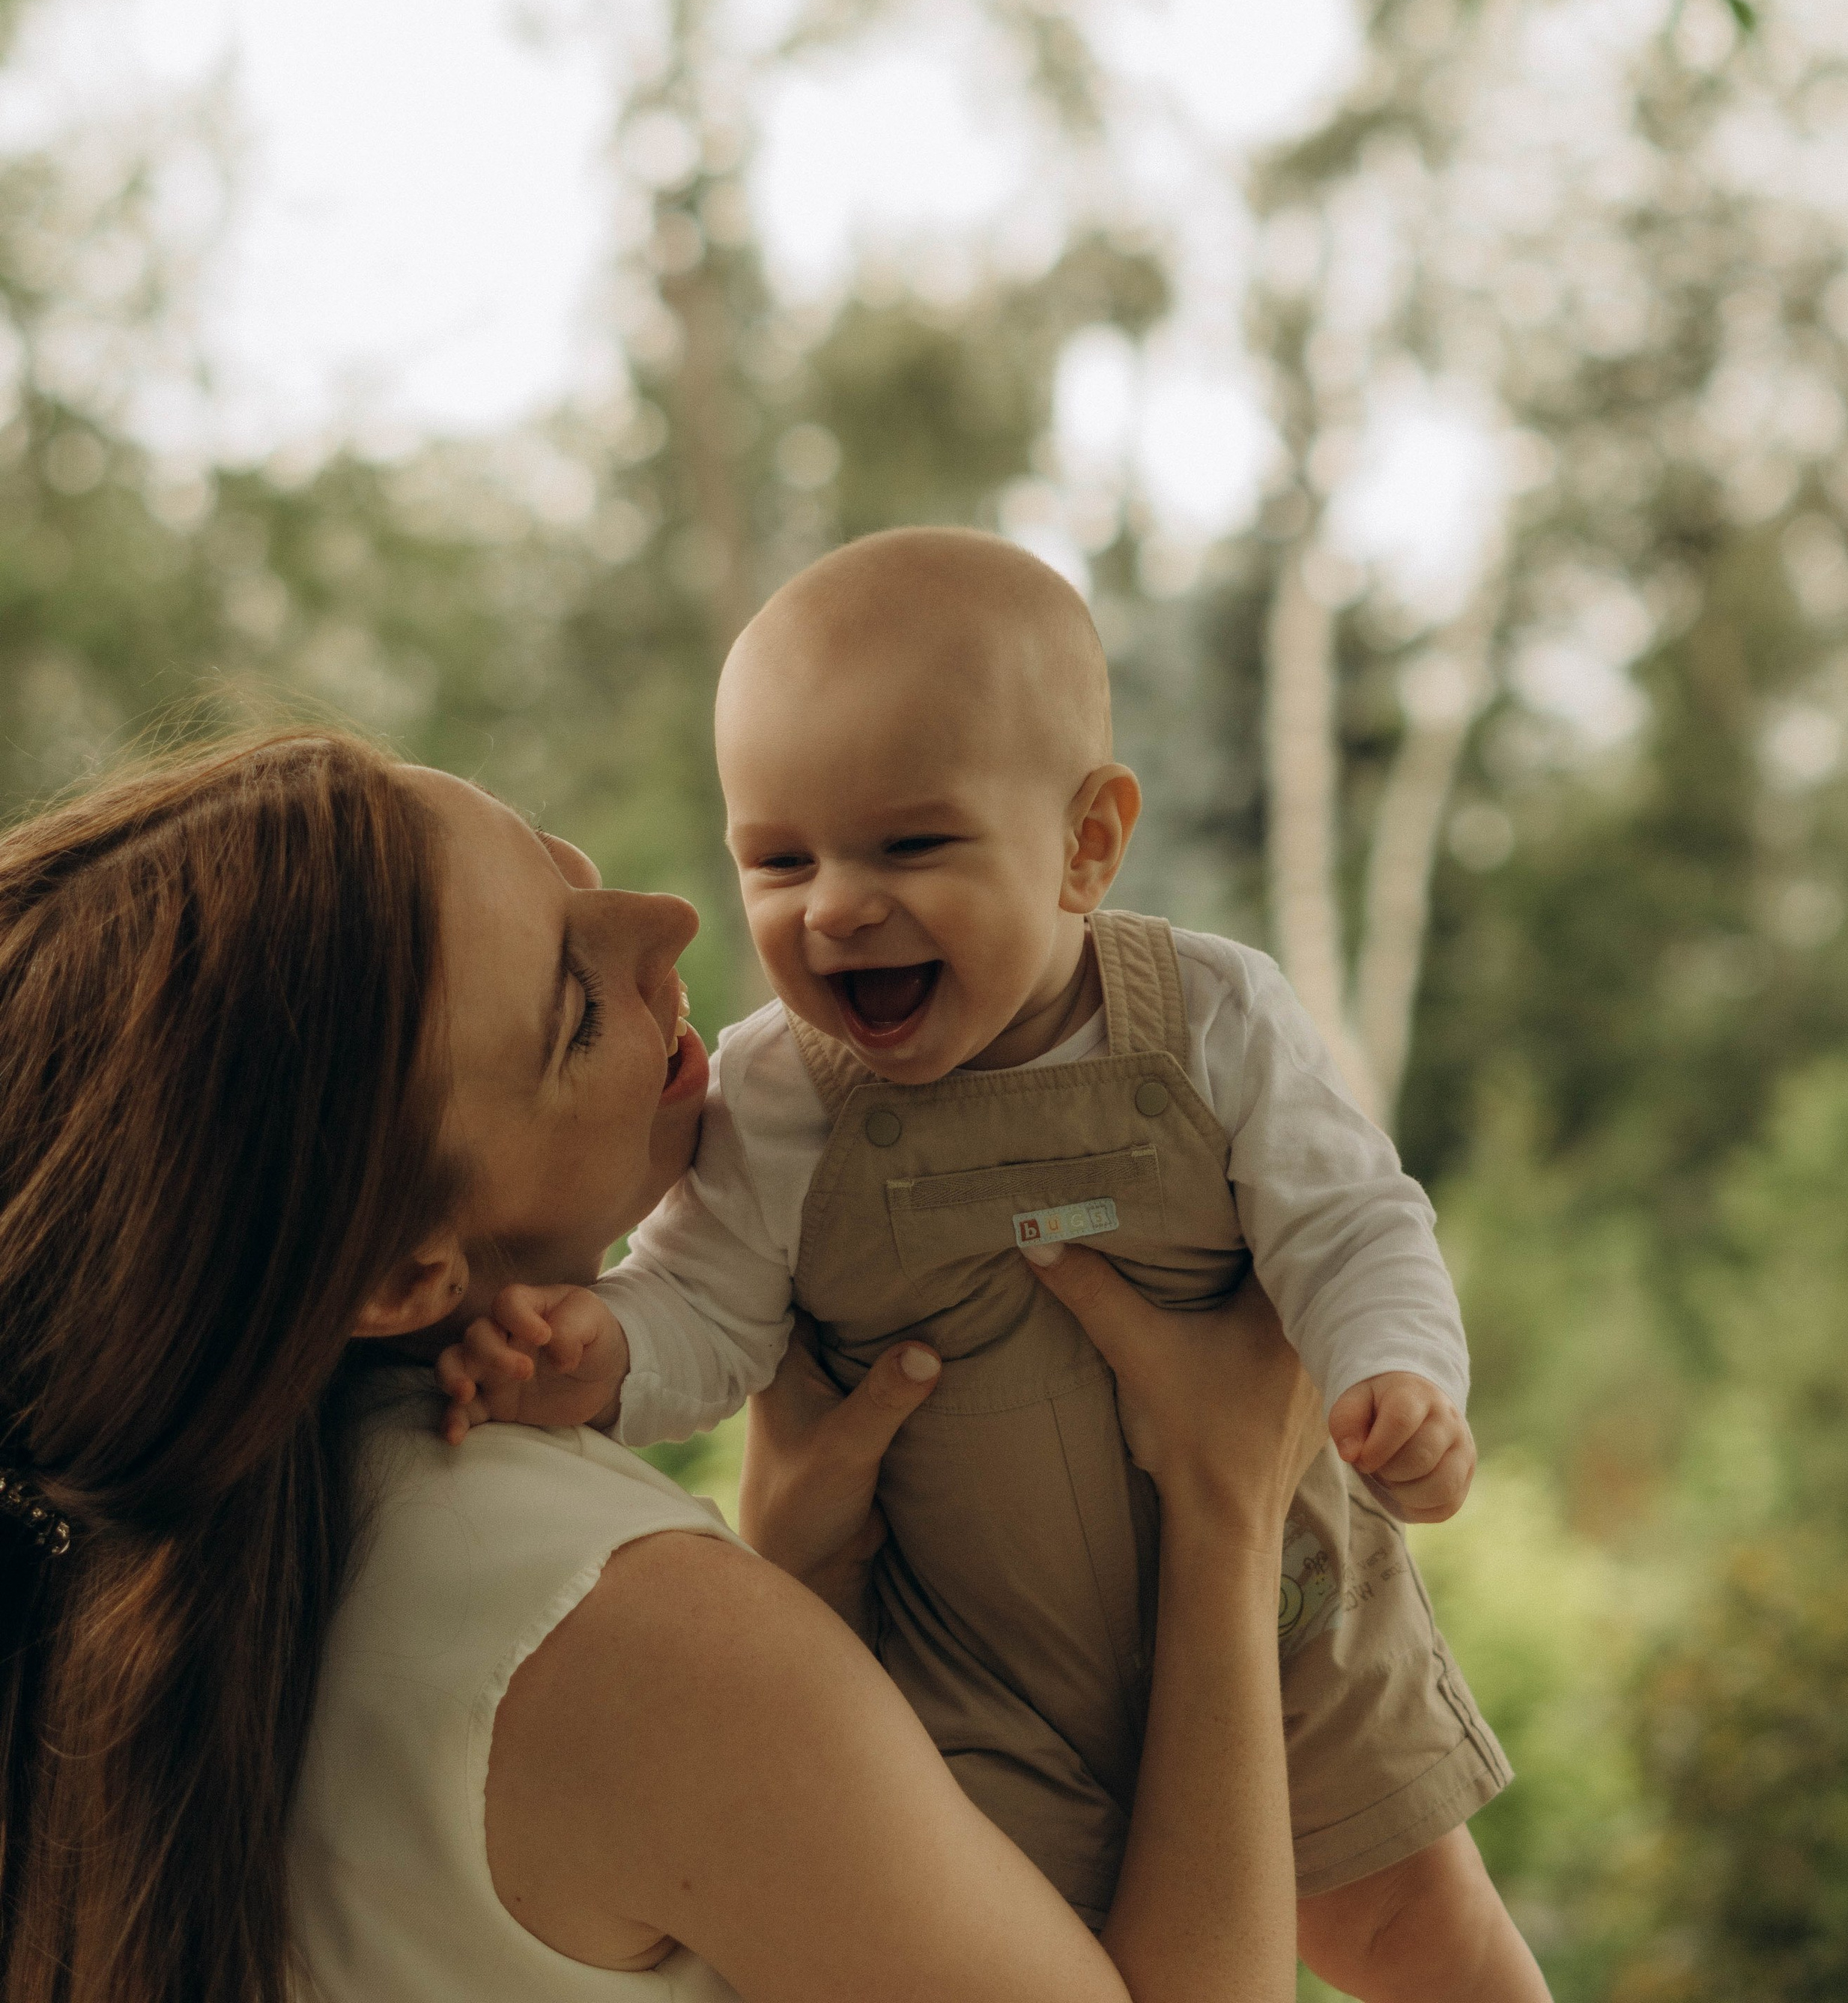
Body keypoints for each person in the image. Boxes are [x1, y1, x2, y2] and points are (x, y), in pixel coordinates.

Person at [0, 727, 1328, 2003]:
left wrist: (800, 1579)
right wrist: (1224, 1506)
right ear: (405, 1275)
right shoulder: (615, 1627)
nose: (670, 922)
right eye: (576, 1007)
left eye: (560, 858)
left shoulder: (163, 1578)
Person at [440, 528, 1551, 1999]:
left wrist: (1395, 1376)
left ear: (1086, 843)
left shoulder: (1210, 1015)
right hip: (972, 1671)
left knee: (1426, 1937)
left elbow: (1347, 1220)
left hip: (1283, 1620)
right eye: (779, 860)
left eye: (908, 845)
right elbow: (706, 1307)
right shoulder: (779, 1095)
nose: (833, 906)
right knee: (1065, 1959)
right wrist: (605, 1356)